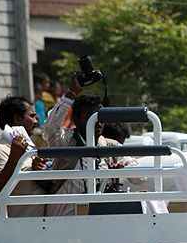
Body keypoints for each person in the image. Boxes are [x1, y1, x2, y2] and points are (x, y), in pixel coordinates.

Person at [42, 74, 144, 214]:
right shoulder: (64, 141)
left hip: (99, 218)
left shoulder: (110, 146)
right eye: (90, 116)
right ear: (76, 120)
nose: (96, 121)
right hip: (64, 217)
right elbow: (49, 128)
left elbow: (140, 178)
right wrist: (72, 93)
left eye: (99, 116)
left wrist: (122, 169)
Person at [0, 96, 49, 217]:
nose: (36, 120)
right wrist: (14, 157)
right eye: (32, 116)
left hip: (39, 224)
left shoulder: (30, 149)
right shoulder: (0, 151)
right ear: (17, 119)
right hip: (14, 225)